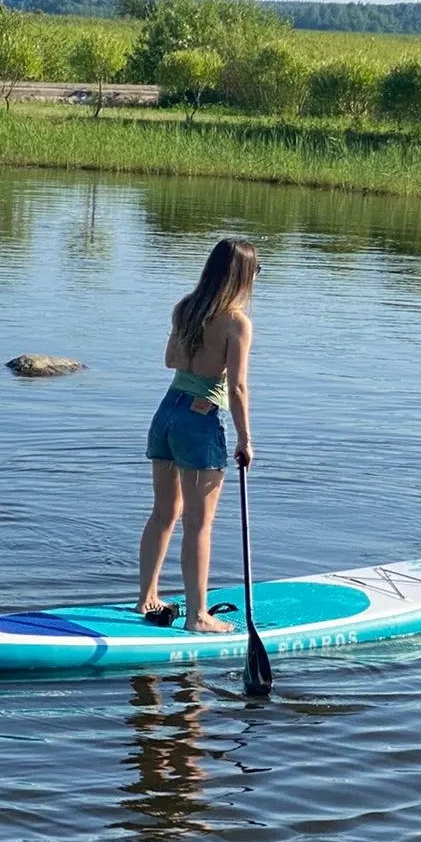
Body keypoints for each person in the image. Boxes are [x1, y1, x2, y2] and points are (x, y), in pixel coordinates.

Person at [137, 238, 257, 632]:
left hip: (166, 412)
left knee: (163, 513)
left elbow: (171, 360)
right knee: (199, 524)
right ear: (241, 275)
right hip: (199, 420)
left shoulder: (184, 308)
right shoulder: (236, 322)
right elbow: (237, 386)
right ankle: (197, 616)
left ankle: (145, 598)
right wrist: (245, 438)